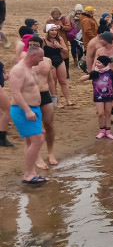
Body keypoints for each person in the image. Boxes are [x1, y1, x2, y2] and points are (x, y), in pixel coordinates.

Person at [11, 46, 47, 184]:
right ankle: (28, 174)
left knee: (30, 141)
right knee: (38, 140)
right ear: (32, 56)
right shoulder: (18, 69)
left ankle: (31, 173)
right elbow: (16, 92)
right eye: (40, 57)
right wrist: (27, 110)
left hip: (34, 110)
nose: (42, 59)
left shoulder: (30, 68)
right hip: (23, 110)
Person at [87, 32, 113, 124]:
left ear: (107, 40)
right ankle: (108, 118)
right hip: (102, 77)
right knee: (106, 99)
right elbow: (95, 63)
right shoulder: (100, 51)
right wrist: (93, 73)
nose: (100, 41)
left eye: (102, 39)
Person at [30, 37, 58, 169]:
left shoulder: (47, 61)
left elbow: (51, 80)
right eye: (30, 45)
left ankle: (50, 152)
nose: (32, 46)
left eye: (35, 44)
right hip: (31, 96)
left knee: (49, 124)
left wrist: (54, 97)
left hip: (45, 94)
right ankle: (37, 156)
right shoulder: (25, 61)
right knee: (35, 127)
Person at [80, 55, 113, 140]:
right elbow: (81, 79)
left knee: (108, 113)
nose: (97, 64)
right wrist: (89, 76)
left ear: (104, 64)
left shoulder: (110, 72)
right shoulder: (95, 72)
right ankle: (102, 131)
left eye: (99, 62)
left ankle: (108, 132)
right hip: (98, 96)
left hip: (108, 95)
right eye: (96, 62)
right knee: (101, 113)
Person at [42, 24, 73, 107]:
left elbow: (66, 51)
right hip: (49, 62)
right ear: (48, 31)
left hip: (59, 60)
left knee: (63, 81)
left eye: (55, 30)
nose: (54, 32)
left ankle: (68, 100)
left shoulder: (60, 39)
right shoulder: (44, 41)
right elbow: (41, 53)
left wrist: (59, 46)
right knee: (53, 82)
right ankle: (57, 102)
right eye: (52, 30)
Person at [45, 8, 73, 75]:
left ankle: (67, 71)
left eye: (57, 14)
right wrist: (50, 28)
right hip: (50, 38)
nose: (55, 15)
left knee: (65, 54)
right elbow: (44, 29)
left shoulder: (64, 19)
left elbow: (69, 27)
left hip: (62, 37)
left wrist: (61, 27)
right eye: (54, 14)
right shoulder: (49, 20)